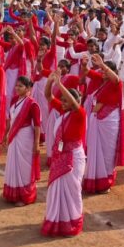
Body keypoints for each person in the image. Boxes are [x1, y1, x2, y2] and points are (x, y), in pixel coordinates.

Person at [41, 70, 86, 237]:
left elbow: (74, 104)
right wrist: (50, 82)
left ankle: (71, 223)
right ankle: (56, 220)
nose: (64, 103)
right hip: (61, 155)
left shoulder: (80, 113)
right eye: (63, 100)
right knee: (56, 189)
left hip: (73, 156)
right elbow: (48, 96)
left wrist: (60, 85)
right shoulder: (63, 110)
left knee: (72, 190)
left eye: (67, 100)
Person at [81, 54, 124, 194]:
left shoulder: (116, 84)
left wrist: (102, 65)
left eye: (106, 71)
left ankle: (105, 181)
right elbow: (88, 72)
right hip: (97, 121)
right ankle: (95, 179)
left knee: (107, 152)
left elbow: (116, 79)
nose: (103, 73)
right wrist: (84, 65)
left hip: (109, 123)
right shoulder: (103, 82)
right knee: (96, 151)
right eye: (102, 71)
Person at [2, 76, 41, 205]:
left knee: (24, 166)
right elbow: (10, 120)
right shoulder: (14, 100)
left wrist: (36, 144)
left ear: (28, 88)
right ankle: (13, 193)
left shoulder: (32, 104)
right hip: (14, 136)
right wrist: (5, 134)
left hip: (25, 138)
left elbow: (37, 126)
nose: (17, 88)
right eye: (16, 86)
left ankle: (24, 195)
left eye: (21, 86)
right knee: (13, 163)